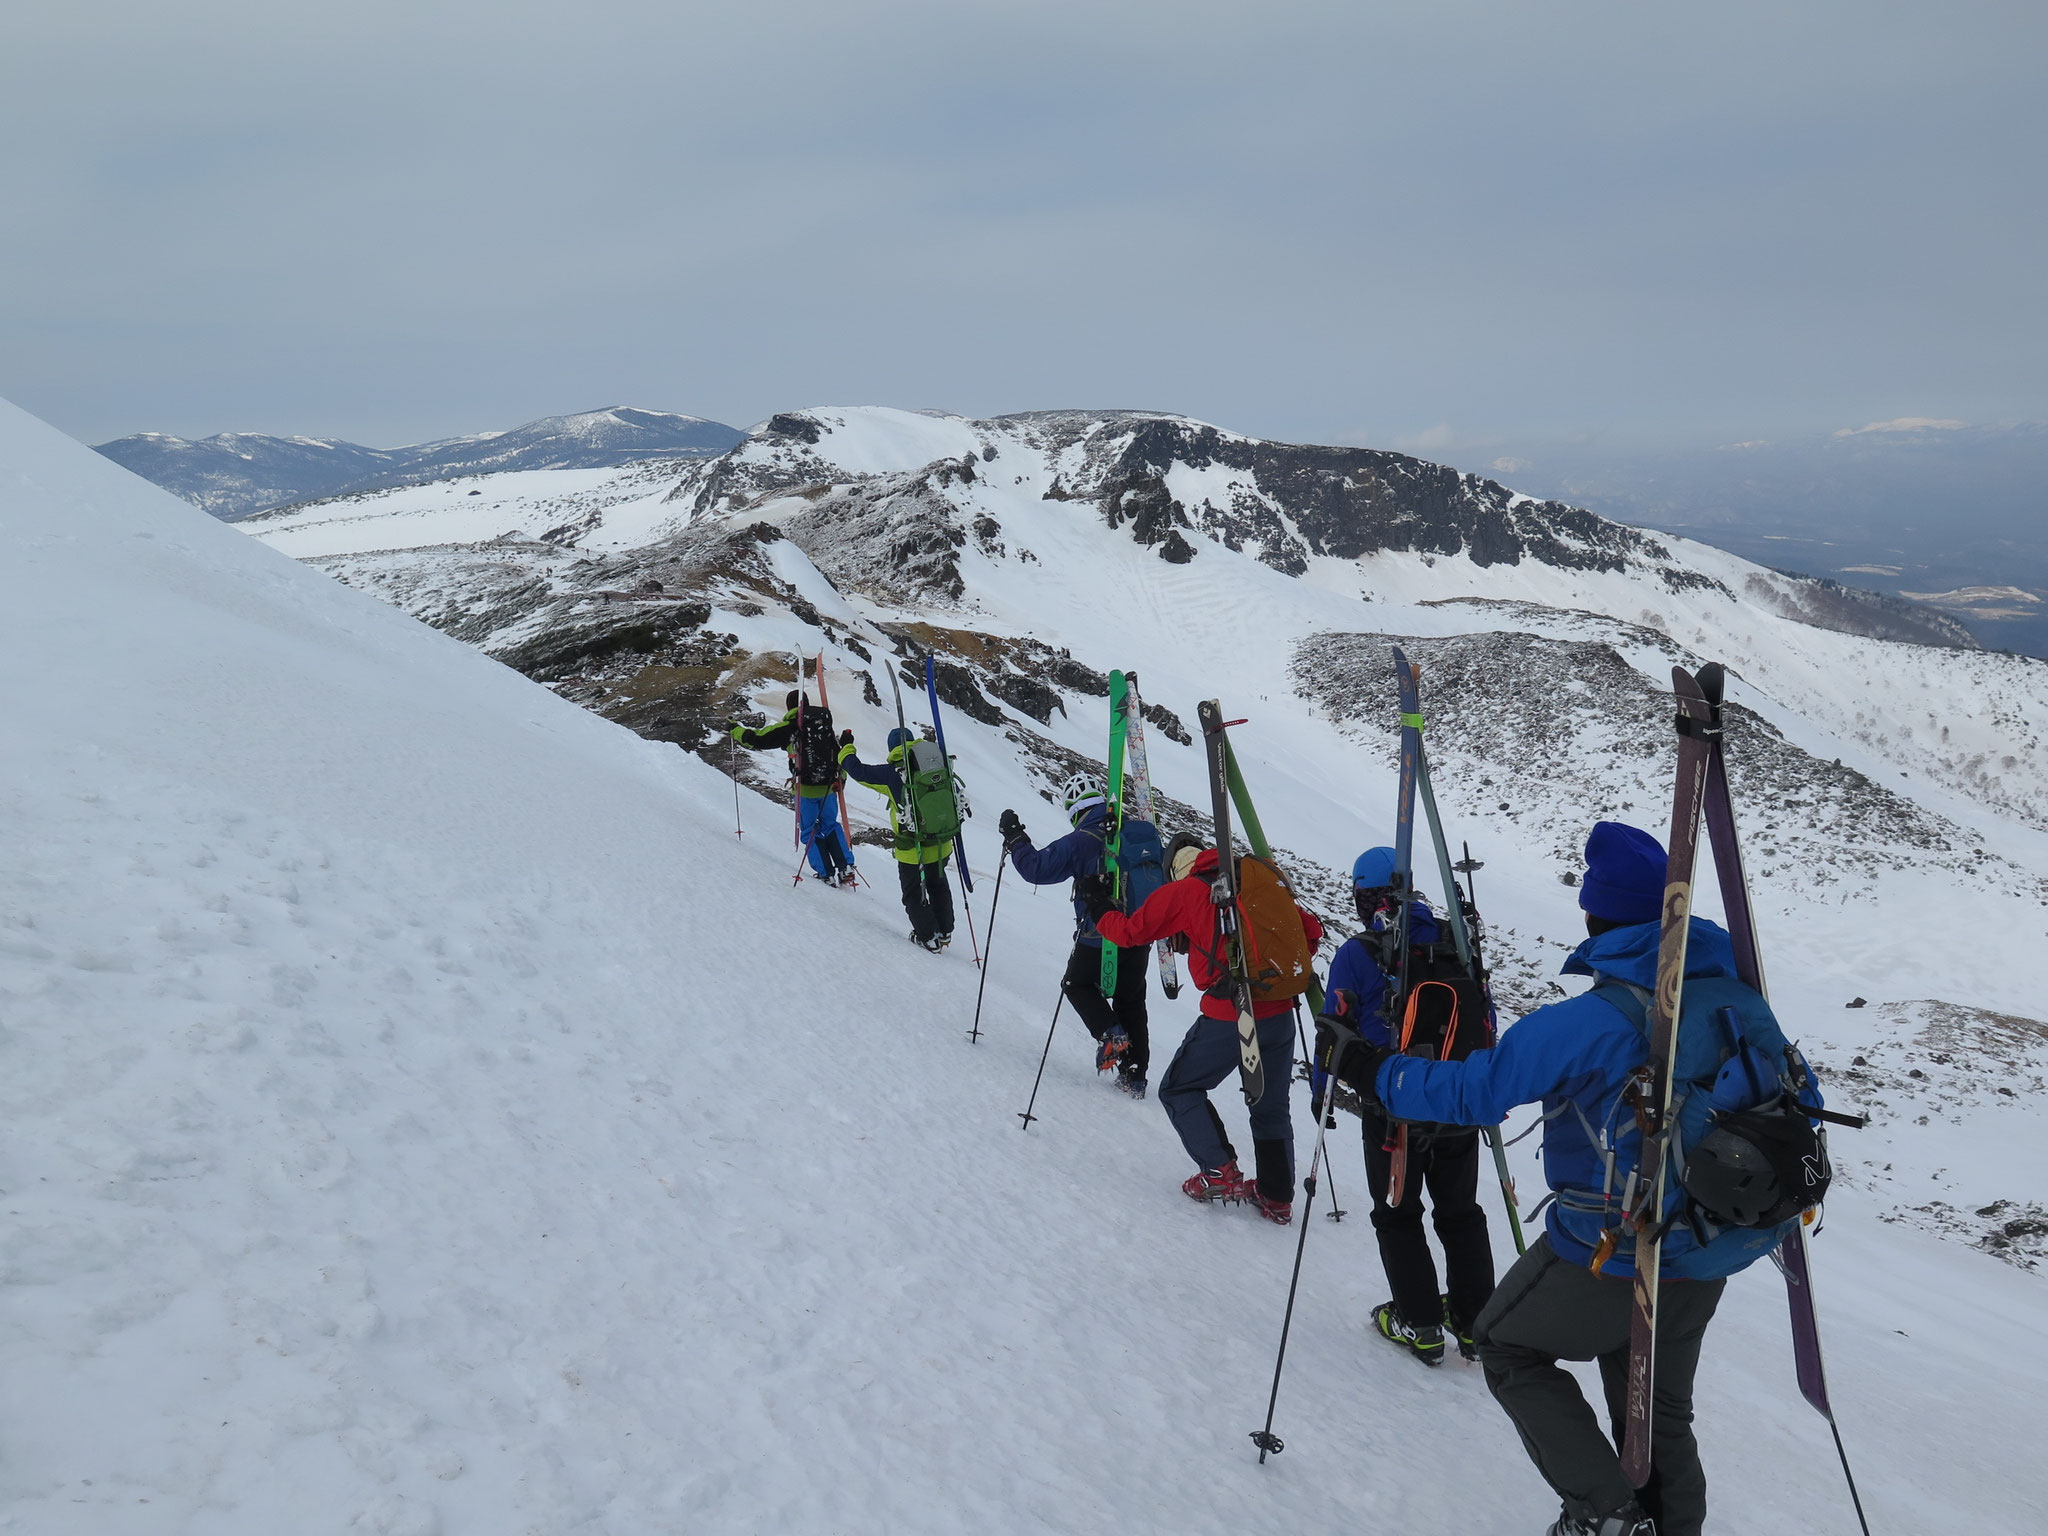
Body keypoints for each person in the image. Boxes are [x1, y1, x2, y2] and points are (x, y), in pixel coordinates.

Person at [1316, 821, 1824, 1536]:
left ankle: (1606, 1514)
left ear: (1597, 915)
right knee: (1653, 1411)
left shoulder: (1599, 1018)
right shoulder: (1739, 995)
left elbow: (1478, 1093)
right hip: (1718, 1243)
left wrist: (1371, 1069)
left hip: (1616, 1245)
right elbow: (1803, 1101)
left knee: (1506, 1344)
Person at [1321, 846, 1495, 1367]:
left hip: (1394, 1106)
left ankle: (1419, 1324)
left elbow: (1335, 1027)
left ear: (1364, 894)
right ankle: (1473, 1325)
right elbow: (1483, 1013)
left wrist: (1320, 1091)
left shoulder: (1360, 951)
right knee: (1461, 1214)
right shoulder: (1453, 940)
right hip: (1459, 1101)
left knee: (1397, 1215)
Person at [1091, 840, 1323, 1224]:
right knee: (1270, 1105)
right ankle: (1277, 1197)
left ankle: (1219, 1172)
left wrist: (1100, 908)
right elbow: (1309, 933)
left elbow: (1131, 932)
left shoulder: (1185, 891)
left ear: (1174, 869)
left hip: (1230, 1013)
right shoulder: (1251, 883)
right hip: (1279, 1011)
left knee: (1179, 1088)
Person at [997, 775, 1150, 1097]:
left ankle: (1110, 1034)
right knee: (1130, 1000)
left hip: (1099, 933)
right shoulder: (1133, 831)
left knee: (1077, 984)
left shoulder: (1081, 840)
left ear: (1073, 809)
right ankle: (1134, 1075)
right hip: (1139, 932)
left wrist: (1015, 838)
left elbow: (1036, 869)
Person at [838, 726, 956, 952]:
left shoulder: (893, 773)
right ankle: (944, 931)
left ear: (891, 748)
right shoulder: (936, 763)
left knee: (913, 892)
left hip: (912, 848)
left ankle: (927, 936)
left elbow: (858, 771)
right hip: (942, 841)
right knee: (938, 884)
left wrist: (846, 748)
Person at [731, 690, 854, 886]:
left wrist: (733, 729)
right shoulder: (824, 726)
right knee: (830, 825)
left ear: (789, 707)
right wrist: (842, 780)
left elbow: (757, 739)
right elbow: (837, 755)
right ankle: (845, 866)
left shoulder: (790, 728)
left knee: (809, 831)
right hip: (829, 787)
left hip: (804, 790)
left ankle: (826, 873)